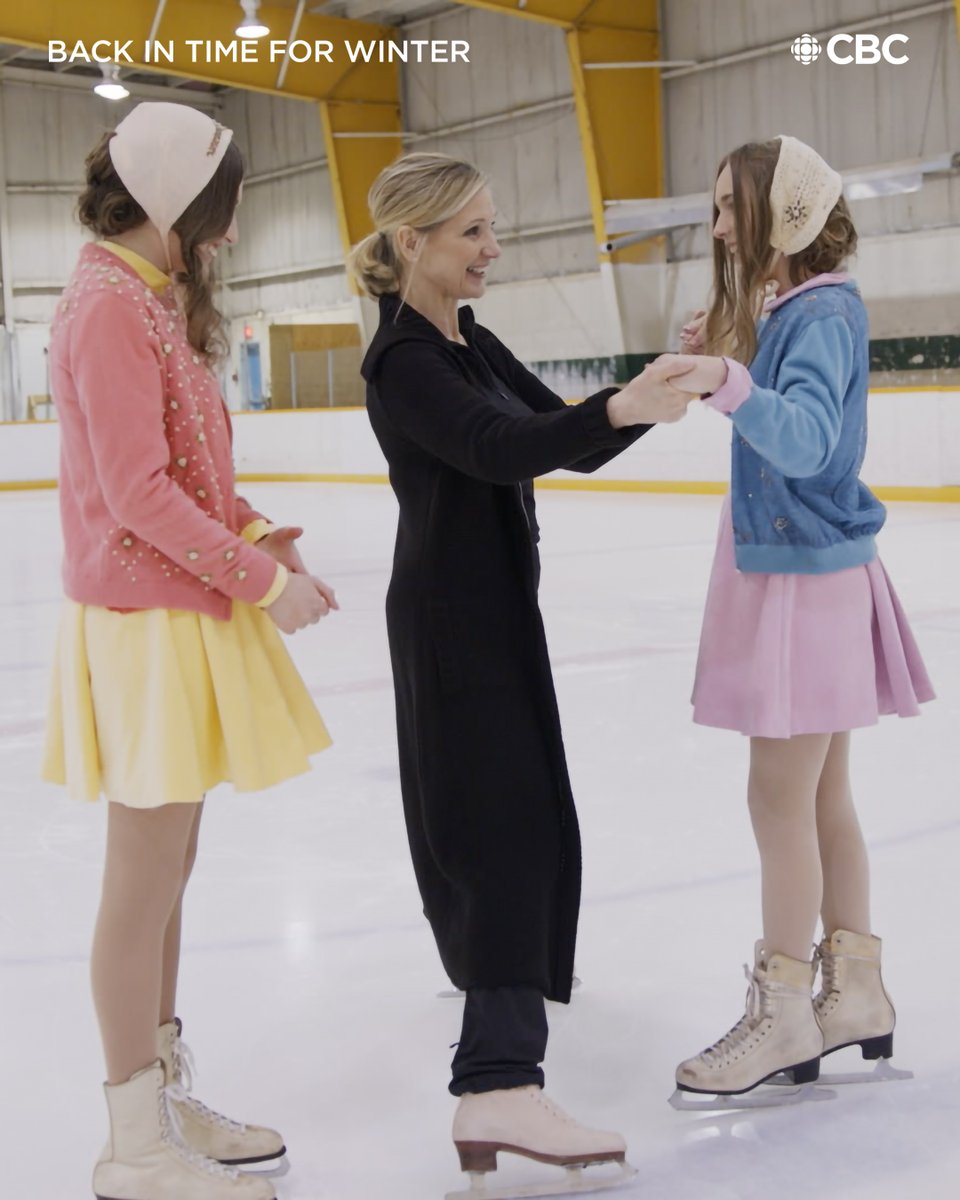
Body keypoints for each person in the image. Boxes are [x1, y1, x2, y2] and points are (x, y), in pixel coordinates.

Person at [348, 151, 693, 1189]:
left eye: (493, 228)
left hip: (494, 611)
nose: (494, 249)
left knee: (518, 816)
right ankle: (497, 1081)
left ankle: (491, 991)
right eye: (473, 234)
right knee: (501, 831)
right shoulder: (405, 359)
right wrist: (620, 411)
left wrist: (645, 392)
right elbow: (501, 449)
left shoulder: (465, 335)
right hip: (452, 621)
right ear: (413, 243)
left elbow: (563, 441)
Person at [42, 102, 337, 1200]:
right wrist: (260, 581)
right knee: (141, 882)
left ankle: (157, 1099)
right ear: (173, 205)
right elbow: (136, 493)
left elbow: (188, 475)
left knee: (170, 875)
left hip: (176, 614)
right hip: (144, 626)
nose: (225, 234)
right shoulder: (109, 308)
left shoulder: (143, 298)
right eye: (218, 214)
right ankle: (131, 1141)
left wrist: (259, 533)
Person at [655, 136, 934, 1103]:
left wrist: (731, 384)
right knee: (821, 801)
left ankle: (781, 1015)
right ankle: (854, 993)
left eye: (732, 207)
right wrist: (728, 361)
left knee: (779, 801)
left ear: (784, 216)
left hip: (803, 589)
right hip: (815, 576)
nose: (721, 226)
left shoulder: (818, 313)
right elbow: (793, 410)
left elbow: (812, 442)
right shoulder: (804, 310)